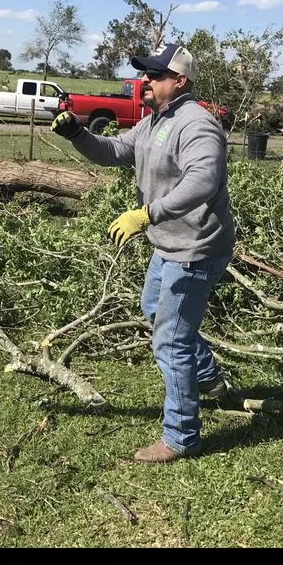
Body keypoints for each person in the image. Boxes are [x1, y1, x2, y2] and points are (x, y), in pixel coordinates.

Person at [51, 44, 236, 464]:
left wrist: (147, 213)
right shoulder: (155, 122)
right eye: (145, 74)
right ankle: (209, 380)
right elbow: (115, 151)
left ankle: (182, 437)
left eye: (154, 75)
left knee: (170, 343)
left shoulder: (196, 125)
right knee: (153, 306)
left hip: (194, 249)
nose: (145, 81)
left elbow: (203, 181)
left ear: (180, 81)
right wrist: (78, 134)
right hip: (170, 244)